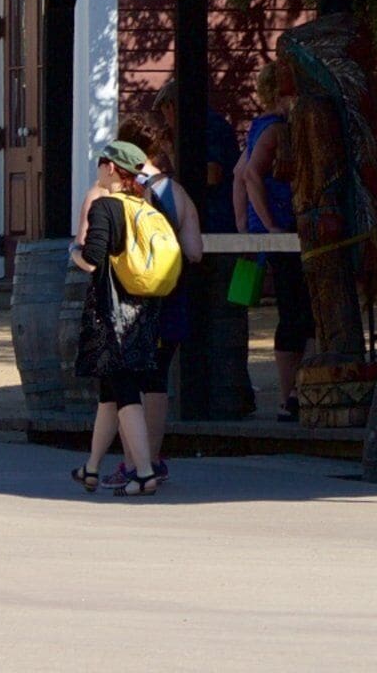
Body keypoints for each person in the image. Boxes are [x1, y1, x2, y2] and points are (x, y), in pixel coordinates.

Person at [72, 138, 201, 495]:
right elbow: (194, 251)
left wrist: (74, 253)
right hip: (148, 309)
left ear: (111, 169)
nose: (97, 170)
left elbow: (92, 257)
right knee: (110, 390)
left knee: (124, 388)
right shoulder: (148, 208)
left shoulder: (106, 207)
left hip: (112, 314)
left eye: (100, 163)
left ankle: (143, 470)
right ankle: (92, 466)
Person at [232, 62, 307, 423]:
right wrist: (268, 224)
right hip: (282, 233)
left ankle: (293, 393)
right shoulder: (276, 128)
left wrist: (245, 225)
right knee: (296, 311)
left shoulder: (261, 125)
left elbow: (236, 175)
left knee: (294, 311)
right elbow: (249, 174)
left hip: (271, 233)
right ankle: (289, 395)